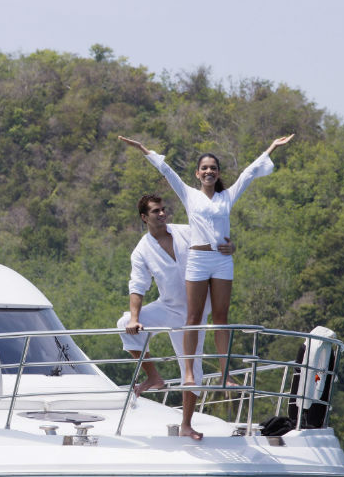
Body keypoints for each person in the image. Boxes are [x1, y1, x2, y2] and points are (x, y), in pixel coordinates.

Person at [118, 134, 293, 387]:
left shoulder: (227, 197)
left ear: (218, 173)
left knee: (221, 317)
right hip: (198, 259)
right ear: (197, 174)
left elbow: (249, 173)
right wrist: (143, 149)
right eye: (204, 168)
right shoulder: (189, 195)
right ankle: (188, 373)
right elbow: (166, 171)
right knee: (193, 317)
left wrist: (272, 147)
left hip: (221, 260)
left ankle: (224, 373)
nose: (209, 171)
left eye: (213, 168)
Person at [117, 194, 235, 440]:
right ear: (144, 217)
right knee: (123, 323)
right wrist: (135, 319)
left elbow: (216, 240)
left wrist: (230, 246)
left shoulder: (186, 232)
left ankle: (187, 424)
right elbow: (137, 286)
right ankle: (153, 376)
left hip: (196, 312)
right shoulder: (142, 250)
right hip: (168, 308)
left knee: (191, 369)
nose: (161, 214)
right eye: (155, 211)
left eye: (163, 210)